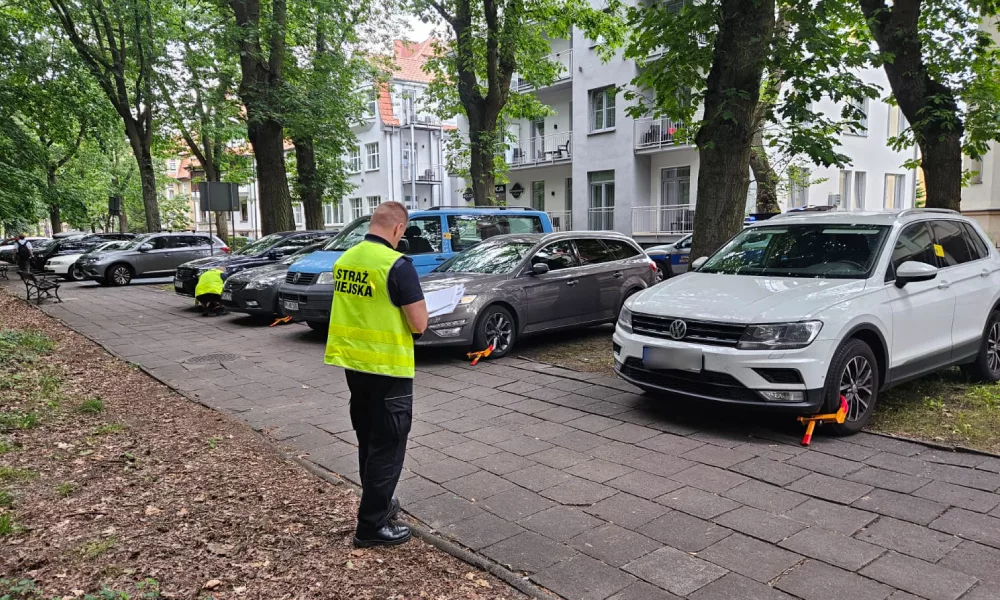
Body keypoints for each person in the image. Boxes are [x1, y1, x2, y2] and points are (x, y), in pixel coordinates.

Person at [325, 201, 428, 548]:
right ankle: (371, 526)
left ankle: (378, 502)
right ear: (399, 229)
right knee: (388, 445)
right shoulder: (396, 265)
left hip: (355, 366)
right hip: (389, 368)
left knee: (369, 440)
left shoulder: (346, 259)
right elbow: (419, 323)